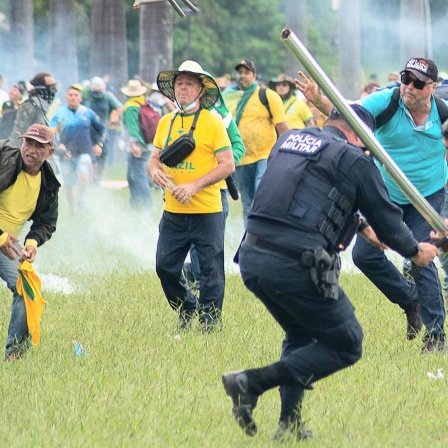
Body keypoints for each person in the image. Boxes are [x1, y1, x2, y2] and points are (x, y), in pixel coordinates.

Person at [221, 105, 439, 441]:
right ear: (358, 135)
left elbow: (308, 192)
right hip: (296, 263)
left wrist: (359, 225)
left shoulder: (291, 139)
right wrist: (415, 251)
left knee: (301, 334)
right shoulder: (355, 160)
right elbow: (391, 225)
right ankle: (251, 382)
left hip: (253, 257)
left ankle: (288, 425)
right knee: (347, 343)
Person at [296, 57, 447, 353]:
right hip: (388, 194)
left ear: (433, 87)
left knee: (421, 255)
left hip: (427, 195)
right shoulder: (386, 101)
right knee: (365, 255)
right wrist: (318, 100)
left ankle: (436, 335)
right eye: (406, 78)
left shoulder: (442, 112)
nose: (409, 87)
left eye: (418, 83)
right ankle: (410, 300)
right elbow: (348, 119)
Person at [148, 61, 234, 332]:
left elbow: (227, 165)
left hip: (207, 211)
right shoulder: (166, 122)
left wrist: (194, 186)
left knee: (211, 272)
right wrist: (154, 172)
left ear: (200, 91)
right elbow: (154, 159)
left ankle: (209, 325)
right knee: (165, 267)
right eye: (179, 83)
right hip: (173, 212)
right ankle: (187, 306)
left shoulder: (213, 122)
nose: (183, 88)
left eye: (189, 84)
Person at [182, 63, 246, 293]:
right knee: (191, 235)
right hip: (185, 187)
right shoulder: (178, 118)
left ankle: (201, 276)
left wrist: (224, 162)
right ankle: (197, 274)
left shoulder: (223, 117)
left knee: (212, 236)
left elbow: (238, 147)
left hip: (216, 188)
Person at [0, 124, 60, 360]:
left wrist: (32, 243)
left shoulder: (48, 183)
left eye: (39, 146)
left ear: (50, 152)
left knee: (26, 288)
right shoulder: (4, 160)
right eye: (28, 143)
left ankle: (14, 354)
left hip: (7, 247)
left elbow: (46, 222)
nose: (31, 150)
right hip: (2, 240)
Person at [223, 59, 288, 226]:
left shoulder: (268, 96)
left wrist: (286, 155)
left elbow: (283, 128)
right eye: (240, 72)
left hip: (264, 155)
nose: (242, 76)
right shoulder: (229, 97)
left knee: (261, 197)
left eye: (246, 72)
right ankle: (249, 237)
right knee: (247, 203)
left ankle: (265, 233)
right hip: (241, 157)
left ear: (254, 75)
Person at [50, 84, 106, 214]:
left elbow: (102, 129)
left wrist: (99, 144)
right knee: (68, 185)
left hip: (85, 151)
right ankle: (72, 209)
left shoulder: (87, 112)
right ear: (66, 97)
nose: (73, 98)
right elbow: (51, 133)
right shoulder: (59, 113)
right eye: (70, 95)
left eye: (76, 95)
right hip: (66, 154)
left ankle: (81, 198)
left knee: (83, 175)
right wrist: (59, 147)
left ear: (80, 98)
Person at [82, 76, 123, 182]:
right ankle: (88, 177)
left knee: (103, 153)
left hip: (102, 129)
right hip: (87, 130)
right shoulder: (85, 96)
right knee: (89, 154)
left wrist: (114, 118)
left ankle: (97, 176)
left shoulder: (108, 97)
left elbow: (119, 107)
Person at [121, 79, 153, 210]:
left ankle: (146, 206)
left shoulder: (130, 106)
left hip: (137, 146)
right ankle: (134, 204)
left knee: (138, 176)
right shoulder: (144, 103)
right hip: (147, 143)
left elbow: (132, 127)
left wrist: (134, 144)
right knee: (131, 176)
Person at [8, 72, 58, 148]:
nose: (54, 91)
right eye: (52, 88)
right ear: (42, 89)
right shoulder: (29, 106)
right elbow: (16, 137)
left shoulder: (40, 108)